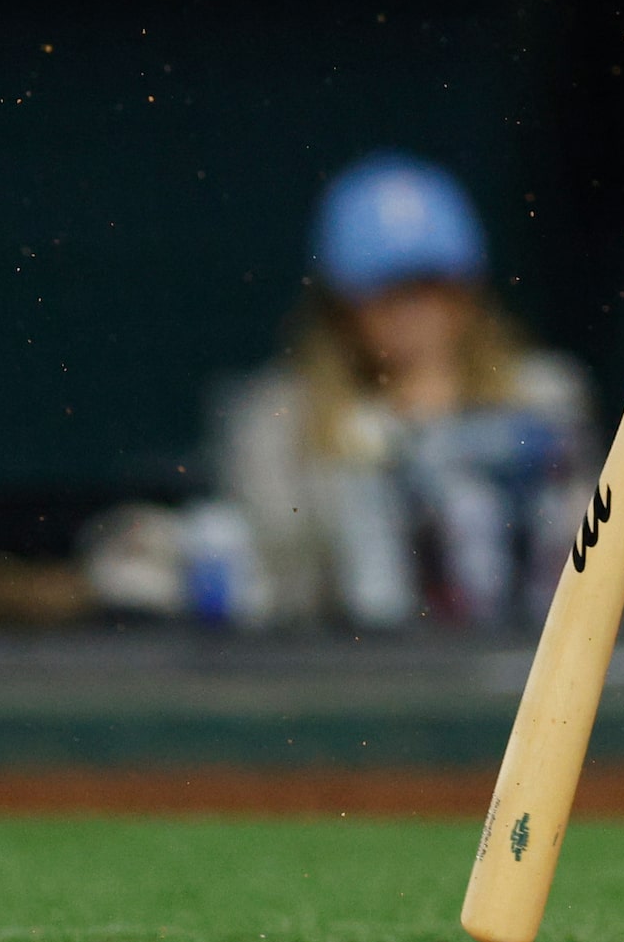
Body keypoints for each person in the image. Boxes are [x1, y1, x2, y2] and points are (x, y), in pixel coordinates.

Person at [216, 153, 596, 631]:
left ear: (468, 290)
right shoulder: (280, 418)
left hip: (533, 663)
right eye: (386, 289)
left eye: (431, 284)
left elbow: (590, 560)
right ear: (339, 304)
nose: (412, 309)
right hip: (359, 678)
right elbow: (277, 589)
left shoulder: (545, 396)